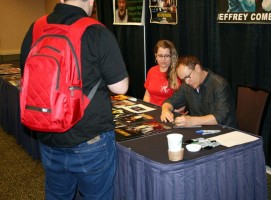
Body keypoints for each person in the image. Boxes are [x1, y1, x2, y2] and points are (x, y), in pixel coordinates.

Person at [20, 0, 129, 199]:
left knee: (57, 195)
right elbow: (120, 87)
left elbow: (26, 75)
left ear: (61, 0)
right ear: (91, 1)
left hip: (48, 134)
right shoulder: (97, 32)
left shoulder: (36, 28)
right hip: (90, 138)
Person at [160, 56, 237, 128]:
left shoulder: (219, 84)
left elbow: (220, 116)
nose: (187, 82)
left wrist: (193, 121)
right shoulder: (186, 86)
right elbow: (171, 101)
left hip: (224, 132)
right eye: (183, 79)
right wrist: (165, 110)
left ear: (197, 68)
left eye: (187, 77)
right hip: (200, 130)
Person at [143, 40, 181, 106]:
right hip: (152, 112)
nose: (163, 59)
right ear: (156, 56)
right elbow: (147, 95)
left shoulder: (178, 73)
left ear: (172, 56)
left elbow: (183, 102)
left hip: (170, 112)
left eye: (166, 56)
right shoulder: (152, 71)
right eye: (160, 55)